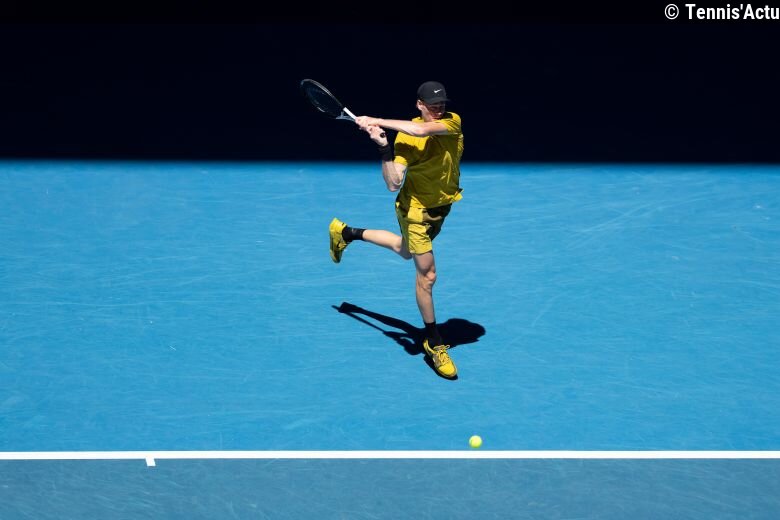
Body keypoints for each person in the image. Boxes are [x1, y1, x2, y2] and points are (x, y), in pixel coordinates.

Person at [328, 80, 464, 379]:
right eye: (432, 105)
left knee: (404, 250)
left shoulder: (451, 122)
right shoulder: (405, 138)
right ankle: (433, 341)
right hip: (415, 211)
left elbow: (421, 131)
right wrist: (384, 147)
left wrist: (375, 119)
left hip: (440, 208)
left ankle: (347, 233)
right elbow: (393, 183)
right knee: (427, 275)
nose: (439, 110)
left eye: (442, 104)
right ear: (419, 105)